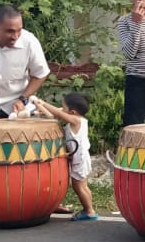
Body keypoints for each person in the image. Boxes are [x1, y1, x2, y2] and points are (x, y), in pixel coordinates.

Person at [32, 93, 98, 221]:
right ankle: (89, 210)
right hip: (79, 158)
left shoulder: (76, 120)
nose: (62, 108)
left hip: (80, 159)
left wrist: (43, 103)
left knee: (79, 186)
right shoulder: (76, 118)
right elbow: (58, 112)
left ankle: (89, 211)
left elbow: (58, 113)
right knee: (82, 186)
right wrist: (39, 108)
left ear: (72, 112)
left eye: (64, 107)